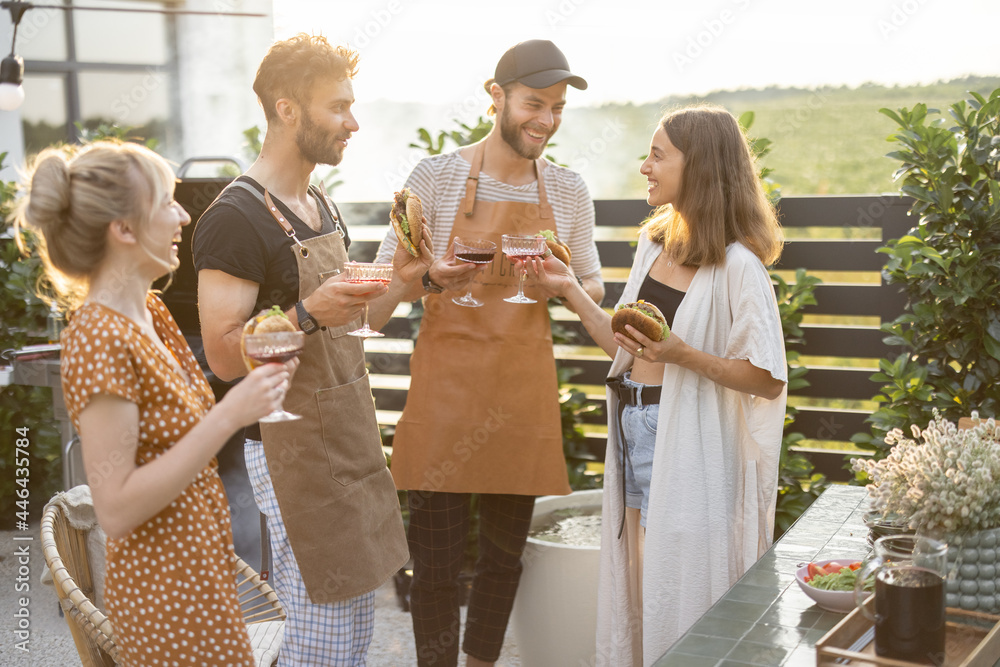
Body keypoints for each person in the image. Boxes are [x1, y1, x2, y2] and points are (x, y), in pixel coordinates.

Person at [192, 35, 426, 665]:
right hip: (290, 449)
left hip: (344, 434)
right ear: (288, 109)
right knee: (321, 633)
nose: (354, 122)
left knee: (349, 629)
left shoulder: (320, 204)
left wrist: (405, 278)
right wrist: (307, 311)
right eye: (338, 107)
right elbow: (221, 355)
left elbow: (352, 324)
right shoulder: (234, 218)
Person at [13, 141, 293, 666]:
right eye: (168, 201)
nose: (184, 214)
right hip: (163, 600)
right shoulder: (97, 336)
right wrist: (232, 414)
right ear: (123, 229)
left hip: (203, 577)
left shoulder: (152, 310)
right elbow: (115, 508)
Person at [528, 104, 788, 665]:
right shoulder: (654, 244)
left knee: (690, 594)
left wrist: (683, 355)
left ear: (700, 167)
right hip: (634, 431)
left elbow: (766, 379)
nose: (644, 166)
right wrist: (569, 288)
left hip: (689, 445)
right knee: (645, 591)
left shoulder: (740, 266)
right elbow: (623, 348)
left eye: (657, 155)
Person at [374, 39, 604, 667]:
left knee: (505, 559)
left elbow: (594, 285)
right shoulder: (436, 178)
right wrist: (428, 279)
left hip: (521, 392)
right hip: (445, 395)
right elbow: (381, 290)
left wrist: (563, 280)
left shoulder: (568, 189)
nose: (547, 120)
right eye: (536, 103)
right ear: (495, 95)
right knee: (437, 564)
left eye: (558, 108)